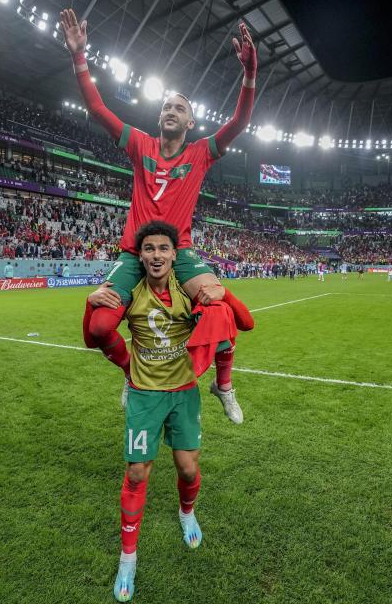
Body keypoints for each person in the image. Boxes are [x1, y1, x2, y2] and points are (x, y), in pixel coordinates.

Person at [61, 8, 256, 404]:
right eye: (166, 106)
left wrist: (250, 75)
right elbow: (98, 109)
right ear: (159, 116)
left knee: (229, 315)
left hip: (180, 252)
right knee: (99, 327)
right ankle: (133, 372)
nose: (170, 110)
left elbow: (238, 123)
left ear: (191, 123)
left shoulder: (201, 153)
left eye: (179, 108)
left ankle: (223, 384)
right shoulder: (139, 145)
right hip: (134, 253)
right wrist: (79, 56)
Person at [103, 221, 239, 602]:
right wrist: (97, 299)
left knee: (188, 468)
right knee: (136, 472)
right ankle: (127, 557)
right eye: (149, 249)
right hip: (146, 393)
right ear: (140, 255)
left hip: (183, 392)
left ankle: (186, 512)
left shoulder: (188, 293)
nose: (157, 255)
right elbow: (101, 331)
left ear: (174, 255)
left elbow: (225, 327)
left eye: (164, 248)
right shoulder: (129, 294)